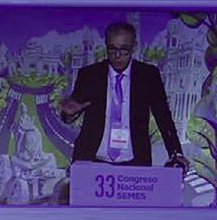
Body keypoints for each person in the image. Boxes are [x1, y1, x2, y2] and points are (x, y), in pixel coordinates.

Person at [57, 21, 187, 170]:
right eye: (112, 49)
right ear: (106, 45)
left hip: (135, 163)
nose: (117, 55)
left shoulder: (148, 75)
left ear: (134, 46)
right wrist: (69, 114)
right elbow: (70, 114)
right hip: (92, 161)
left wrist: (176, 153)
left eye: (124, 50)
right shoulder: (89, 75)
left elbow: (163, 117)